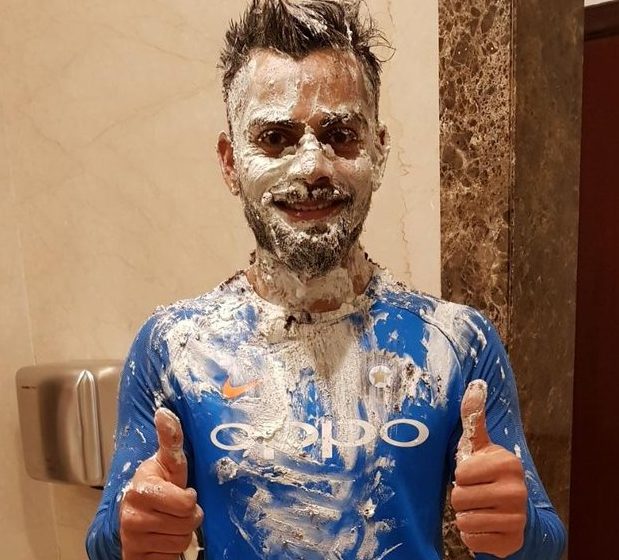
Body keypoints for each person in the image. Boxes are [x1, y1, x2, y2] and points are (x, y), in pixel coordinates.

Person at [86, 1, 566, 559]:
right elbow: (104, 543)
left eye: (340, 134)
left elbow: (547, 543)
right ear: (230, 162)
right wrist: (130, 532)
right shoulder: (171, 347)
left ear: (379, 151)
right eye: (275, 138)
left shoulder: (457, 343)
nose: (312, 166)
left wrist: (519, 528)